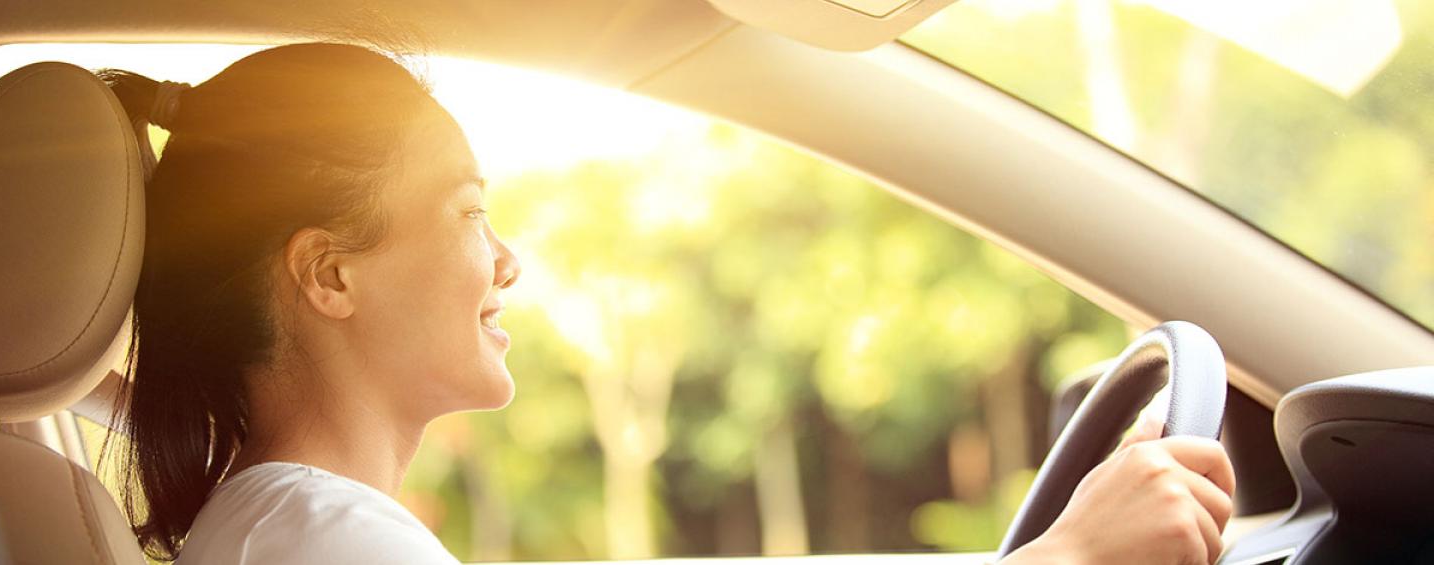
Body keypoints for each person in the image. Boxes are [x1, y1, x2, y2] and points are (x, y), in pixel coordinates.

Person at [102, 43, 1234, 565]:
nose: (509, 263)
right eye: (466, 214)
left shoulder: (283, 526)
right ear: (329, 273)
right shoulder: (327, 542)